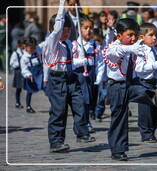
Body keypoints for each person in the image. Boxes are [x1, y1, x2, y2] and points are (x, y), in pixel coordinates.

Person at [104, 18, 157, 161]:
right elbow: (117, 51)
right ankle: (118, 150)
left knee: (147, 93)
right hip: (117, 86)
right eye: (129, 35)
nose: (133, 38)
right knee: (120, 118)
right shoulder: (113, 47)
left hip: (131, 83)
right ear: (119, 36)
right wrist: (131, 48)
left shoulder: (133, 45)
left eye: (135, 35)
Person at [42, 0, 95, 153]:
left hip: (71, 78)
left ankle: (82, 133)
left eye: (68, 30)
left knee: (80, 104)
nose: (66, 32)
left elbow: (75, 24)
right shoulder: (52, 42)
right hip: (57, 79)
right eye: (63, 30)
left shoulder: (69, 44)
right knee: (59, 111)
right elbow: (58, 26)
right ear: (54, 30)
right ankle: (56, 142)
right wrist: (62, 5)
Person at [72, 15, 104, 133]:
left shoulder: (95, 45)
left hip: (91, 77)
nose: (89, 30)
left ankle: (86, 121)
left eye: (91, 28)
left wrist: (100, 76)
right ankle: (83, 123)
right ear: (79, 30)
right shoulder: (75, 45)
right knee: (81, 101)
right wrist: (81, 61)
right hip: (79, 77)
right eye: (85, 28)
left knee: (90, 100)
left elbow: (100, 62)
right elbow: (71, 62)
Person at [134, 23, 157, 143]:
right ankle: (146, 133)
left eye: (156, 35)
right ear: (142, 37)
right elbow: (139, 67)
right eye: (151, 35)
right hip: (144, 83)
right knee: (145, 110)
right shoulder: (140, 51)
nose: (155, 37)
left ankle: (153, 129)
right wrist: (155, 65)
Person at [20, 37, 43, 113]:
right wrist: (29, 75)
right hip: (31, 76)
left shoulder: (37, 51)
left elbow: (43, 44)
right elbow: (24, 69)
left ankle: (53, 104)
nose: (33, 50)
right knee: (29, 91)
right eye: (31, 48)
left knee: (46, 88)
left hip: (40, 74)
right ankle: (28, 106)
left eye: (34, 48)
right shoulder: (24, 58)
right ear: (25, 47)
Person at [10, 37, 25, 109]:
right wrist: (18, 64)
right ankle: (17, 102)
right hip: (18, 72)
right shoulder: (15, 53)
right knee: (18, 88)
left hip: (23, 71)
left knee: (24, 88)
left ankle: (27, 104)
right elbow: (11, 63)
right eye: (23, 45)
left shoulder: (24, 52)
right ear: (20, 45)